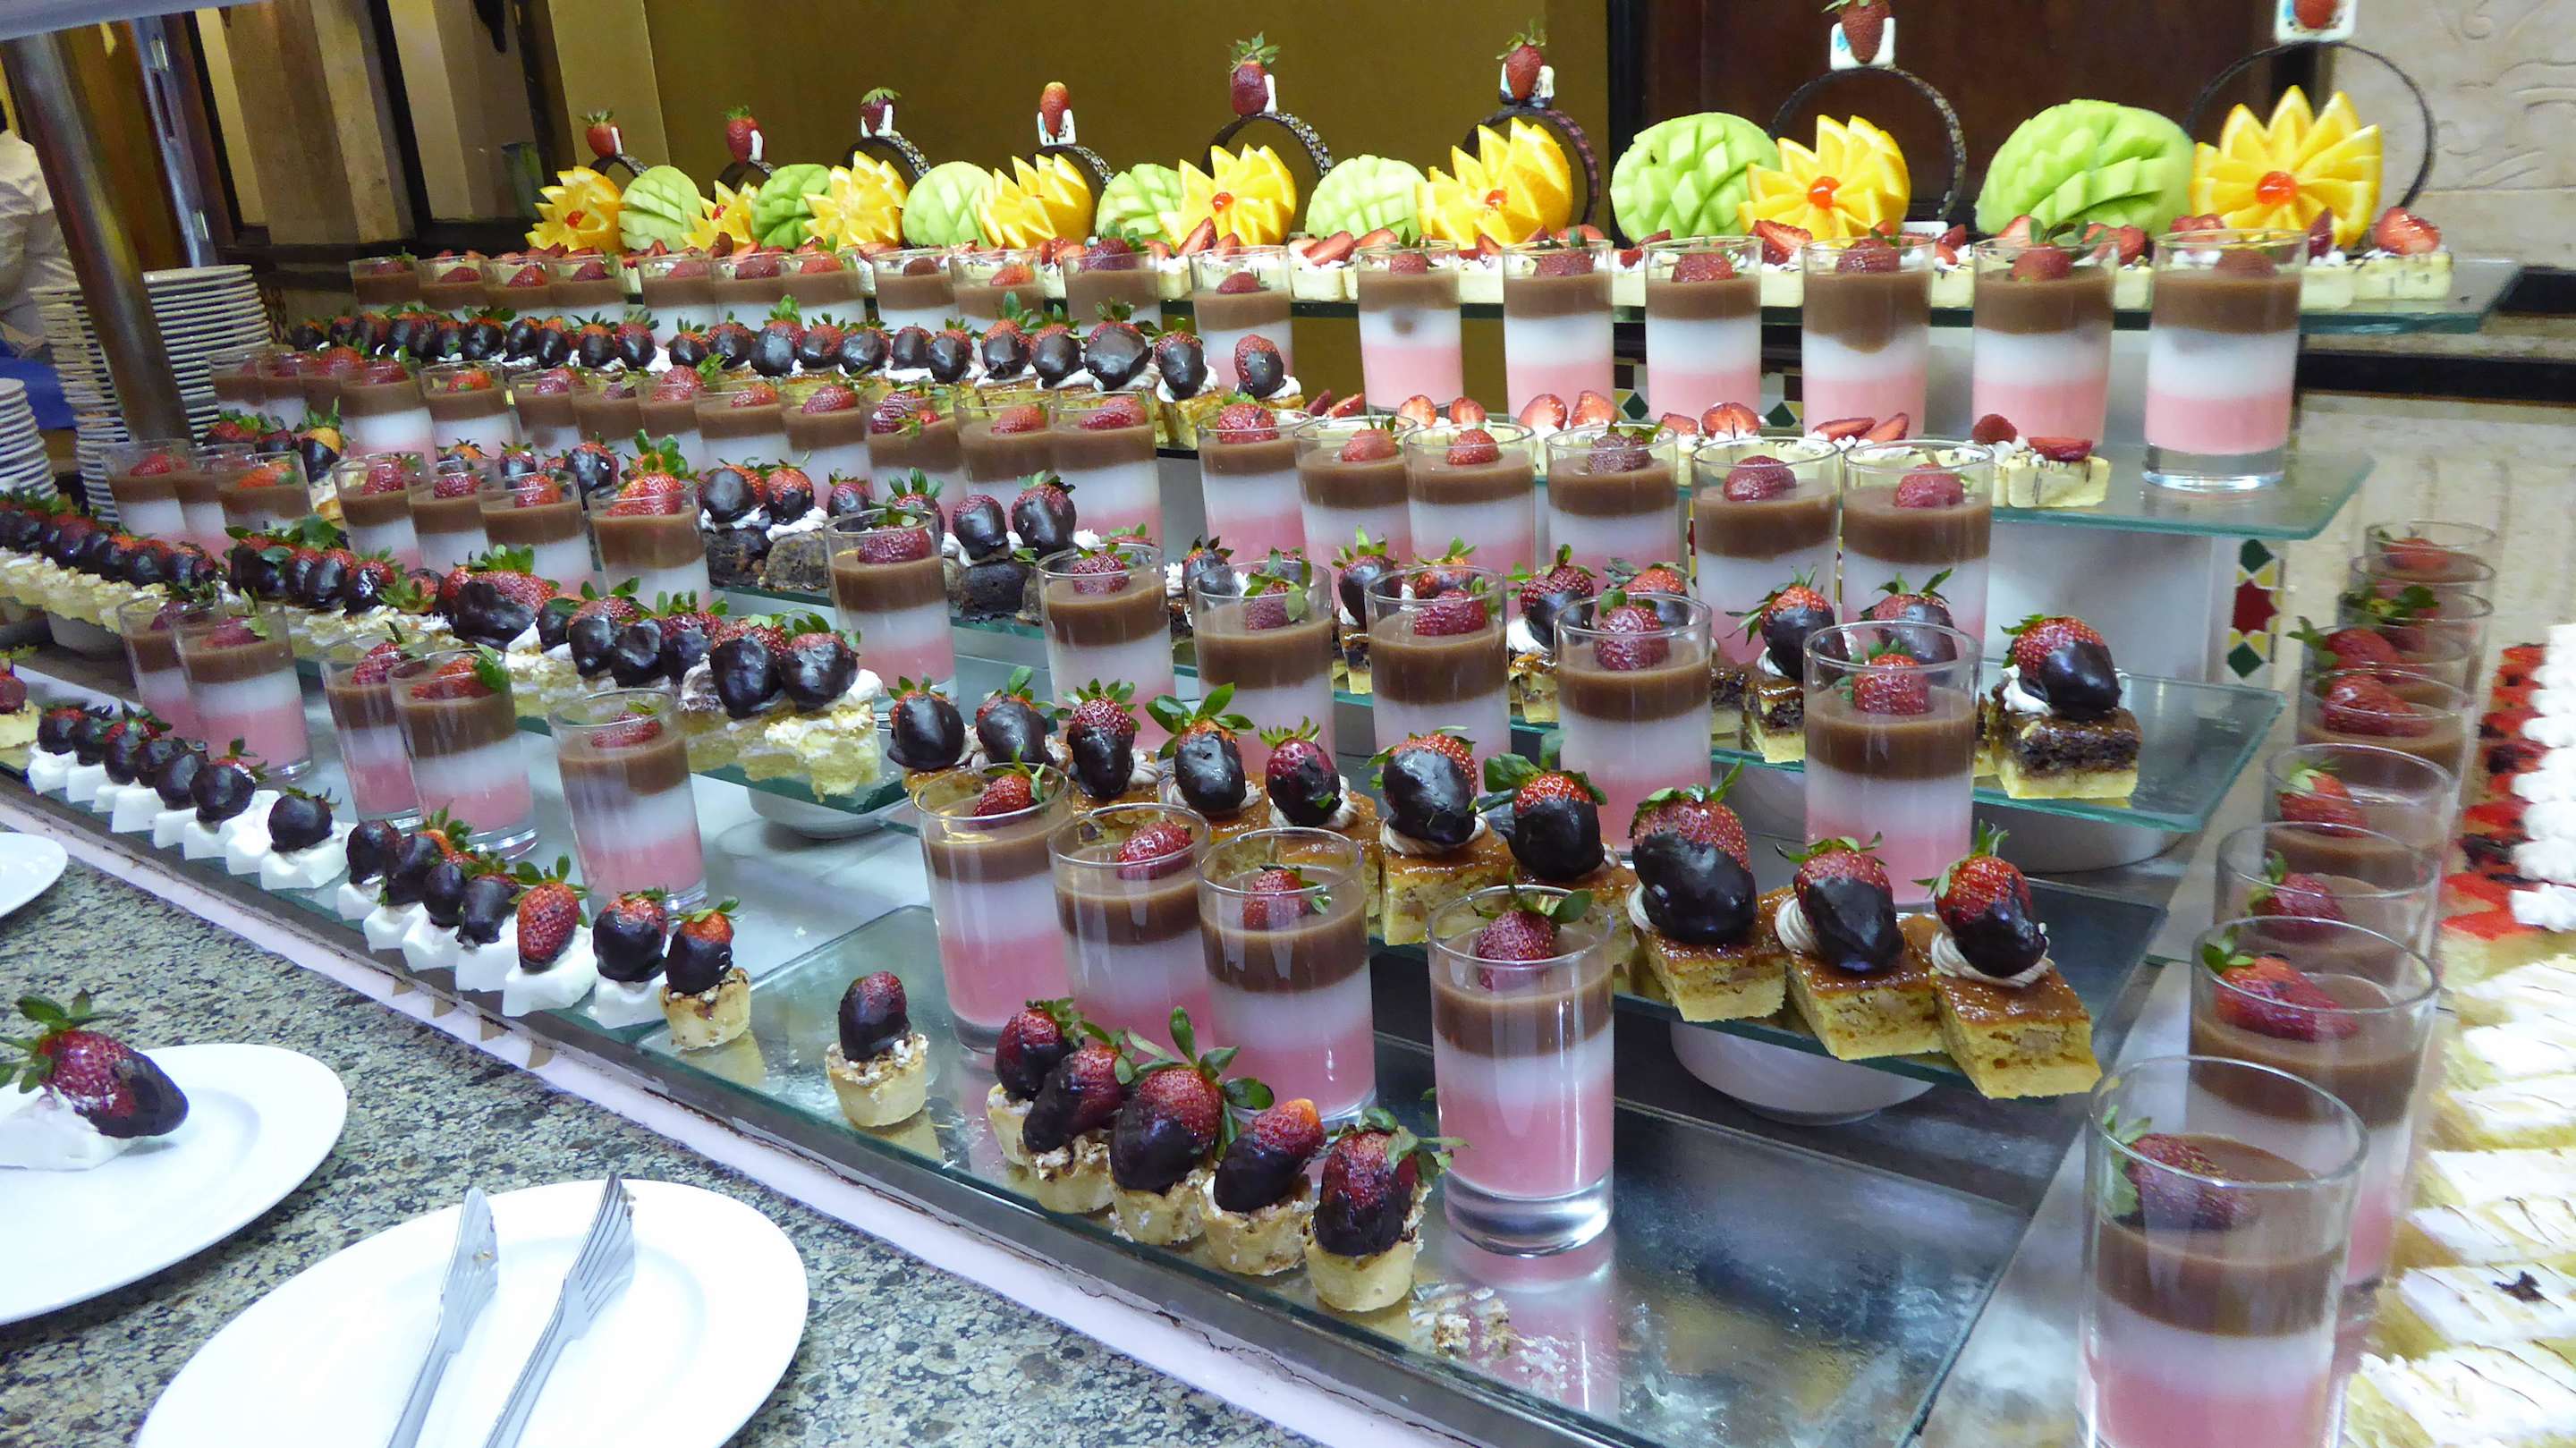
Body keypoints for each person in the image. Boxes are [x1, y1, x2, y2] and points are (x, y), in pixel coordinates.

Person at [0, 112, 76, 355]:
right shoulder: (23, 155)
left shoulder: (7, 178)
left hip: (43, 332)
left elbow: (2, 274)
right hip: (54, 317)